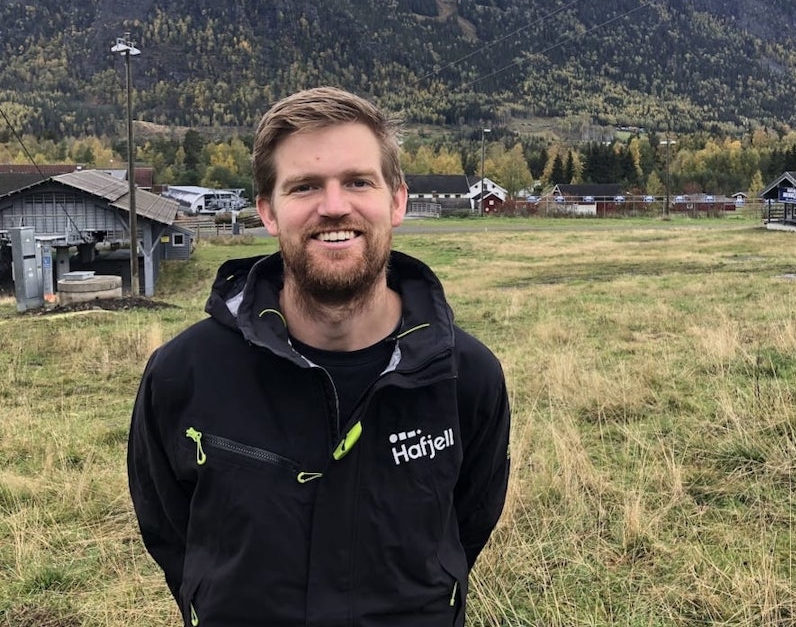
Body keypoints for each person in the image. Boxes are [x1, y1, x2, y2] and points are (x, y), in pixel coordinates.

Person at [128, 86, 511, 627]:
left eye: (358, 181)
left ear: (396, 200)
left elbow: (468, 522)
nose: (334, 206)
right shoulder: (183, 375)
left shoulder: (464, 377)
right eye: (305, 186)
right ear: (268, 211)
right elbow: (170, 532)